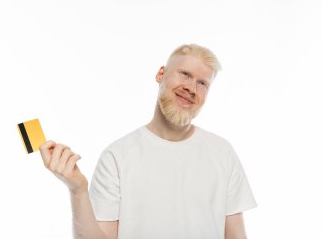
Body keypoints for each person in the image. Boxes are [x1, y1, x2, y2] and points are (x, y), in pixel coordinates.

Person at [39, 44, 257, 239]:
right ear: (161, 74)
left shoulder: (222, 153)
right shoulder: (118, 156)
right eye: (185, 74)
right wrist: (78, 191)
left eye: (202, 83)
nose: (191, 88)